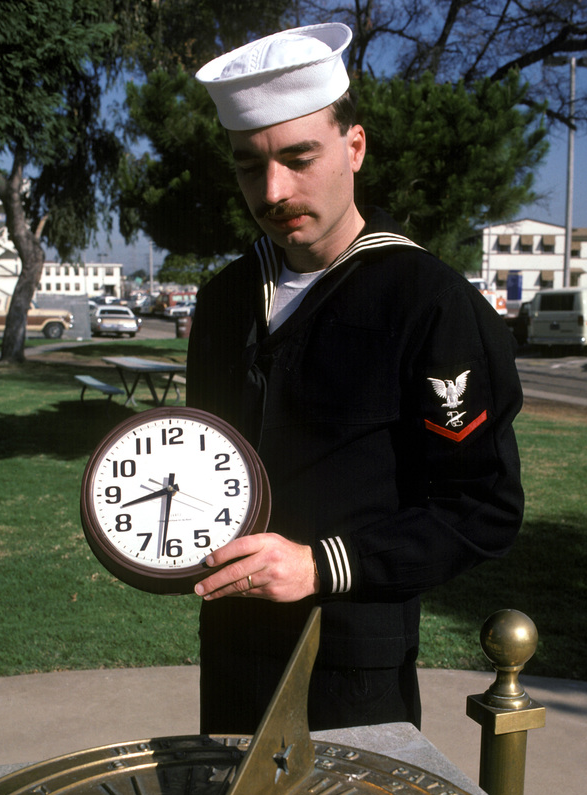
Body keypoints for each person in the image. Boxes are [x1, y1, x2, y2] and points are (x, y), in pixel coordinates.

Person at [187, 23, 523, 735]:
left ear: (355, 145)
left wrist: (319, 566)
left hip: (350, 667)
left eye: (299, 157)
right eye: (250, 165)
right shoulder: (223, 299)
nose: (274, 190)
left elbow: (481, 507)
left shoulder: (426, 300)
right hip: (230, 653)